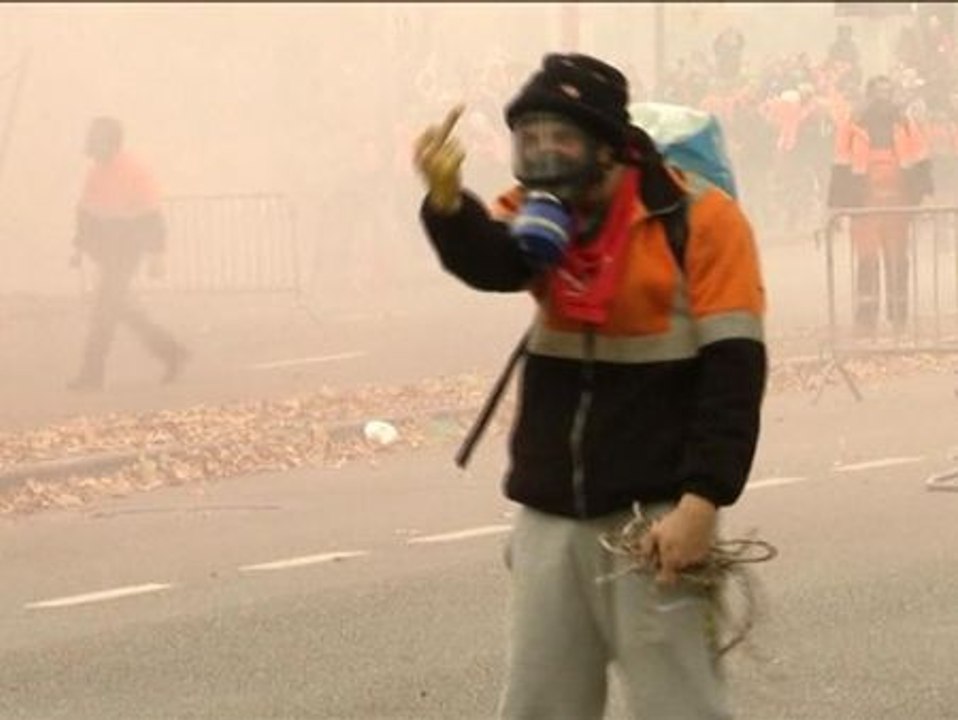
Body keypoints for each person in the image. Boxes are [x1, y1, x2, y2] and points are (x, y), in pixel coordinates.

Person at [413, 53, 767, 720]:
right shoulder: (542, 215)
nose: (544, 156)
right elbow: (493, 262)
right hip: (550, 513)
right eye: (530, 139)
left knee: (677, 705)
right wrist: (445, 201)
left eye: (563, 139)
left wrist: (701, 502)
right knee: (539, 706)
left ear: (611, 145)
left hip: (654, 518)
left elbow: (735, 376)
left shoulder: (703, 221)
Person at [68, 116, 188, 390]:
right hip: (106, 249)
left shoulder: (133, 170)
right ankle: (172, 353)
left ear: (111, 141)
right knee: (122, 309)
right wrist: (78, 246)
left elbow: (152, 216)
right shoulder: (96, 171)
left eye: (97, 138)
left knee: (104, 310)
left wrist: (157, 255)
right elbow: (86, 212)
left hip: (126, 249)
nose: (92, 143)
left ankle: (91, 374)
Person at [828, 75, 933, 337]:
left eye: (888, 91)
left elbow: (920, 157)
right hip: (864, 204)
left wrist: (920, 194)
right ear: (869, 95)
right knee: (867, 260)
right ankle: (866, 320)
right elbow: (840, 162)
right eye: (878, 92)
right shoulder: (853, 124)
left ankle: (899, 318)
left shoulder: (905, 123)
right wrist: (838, 205)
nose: (883, 98)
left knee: (898, 260)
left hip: (898, 204)